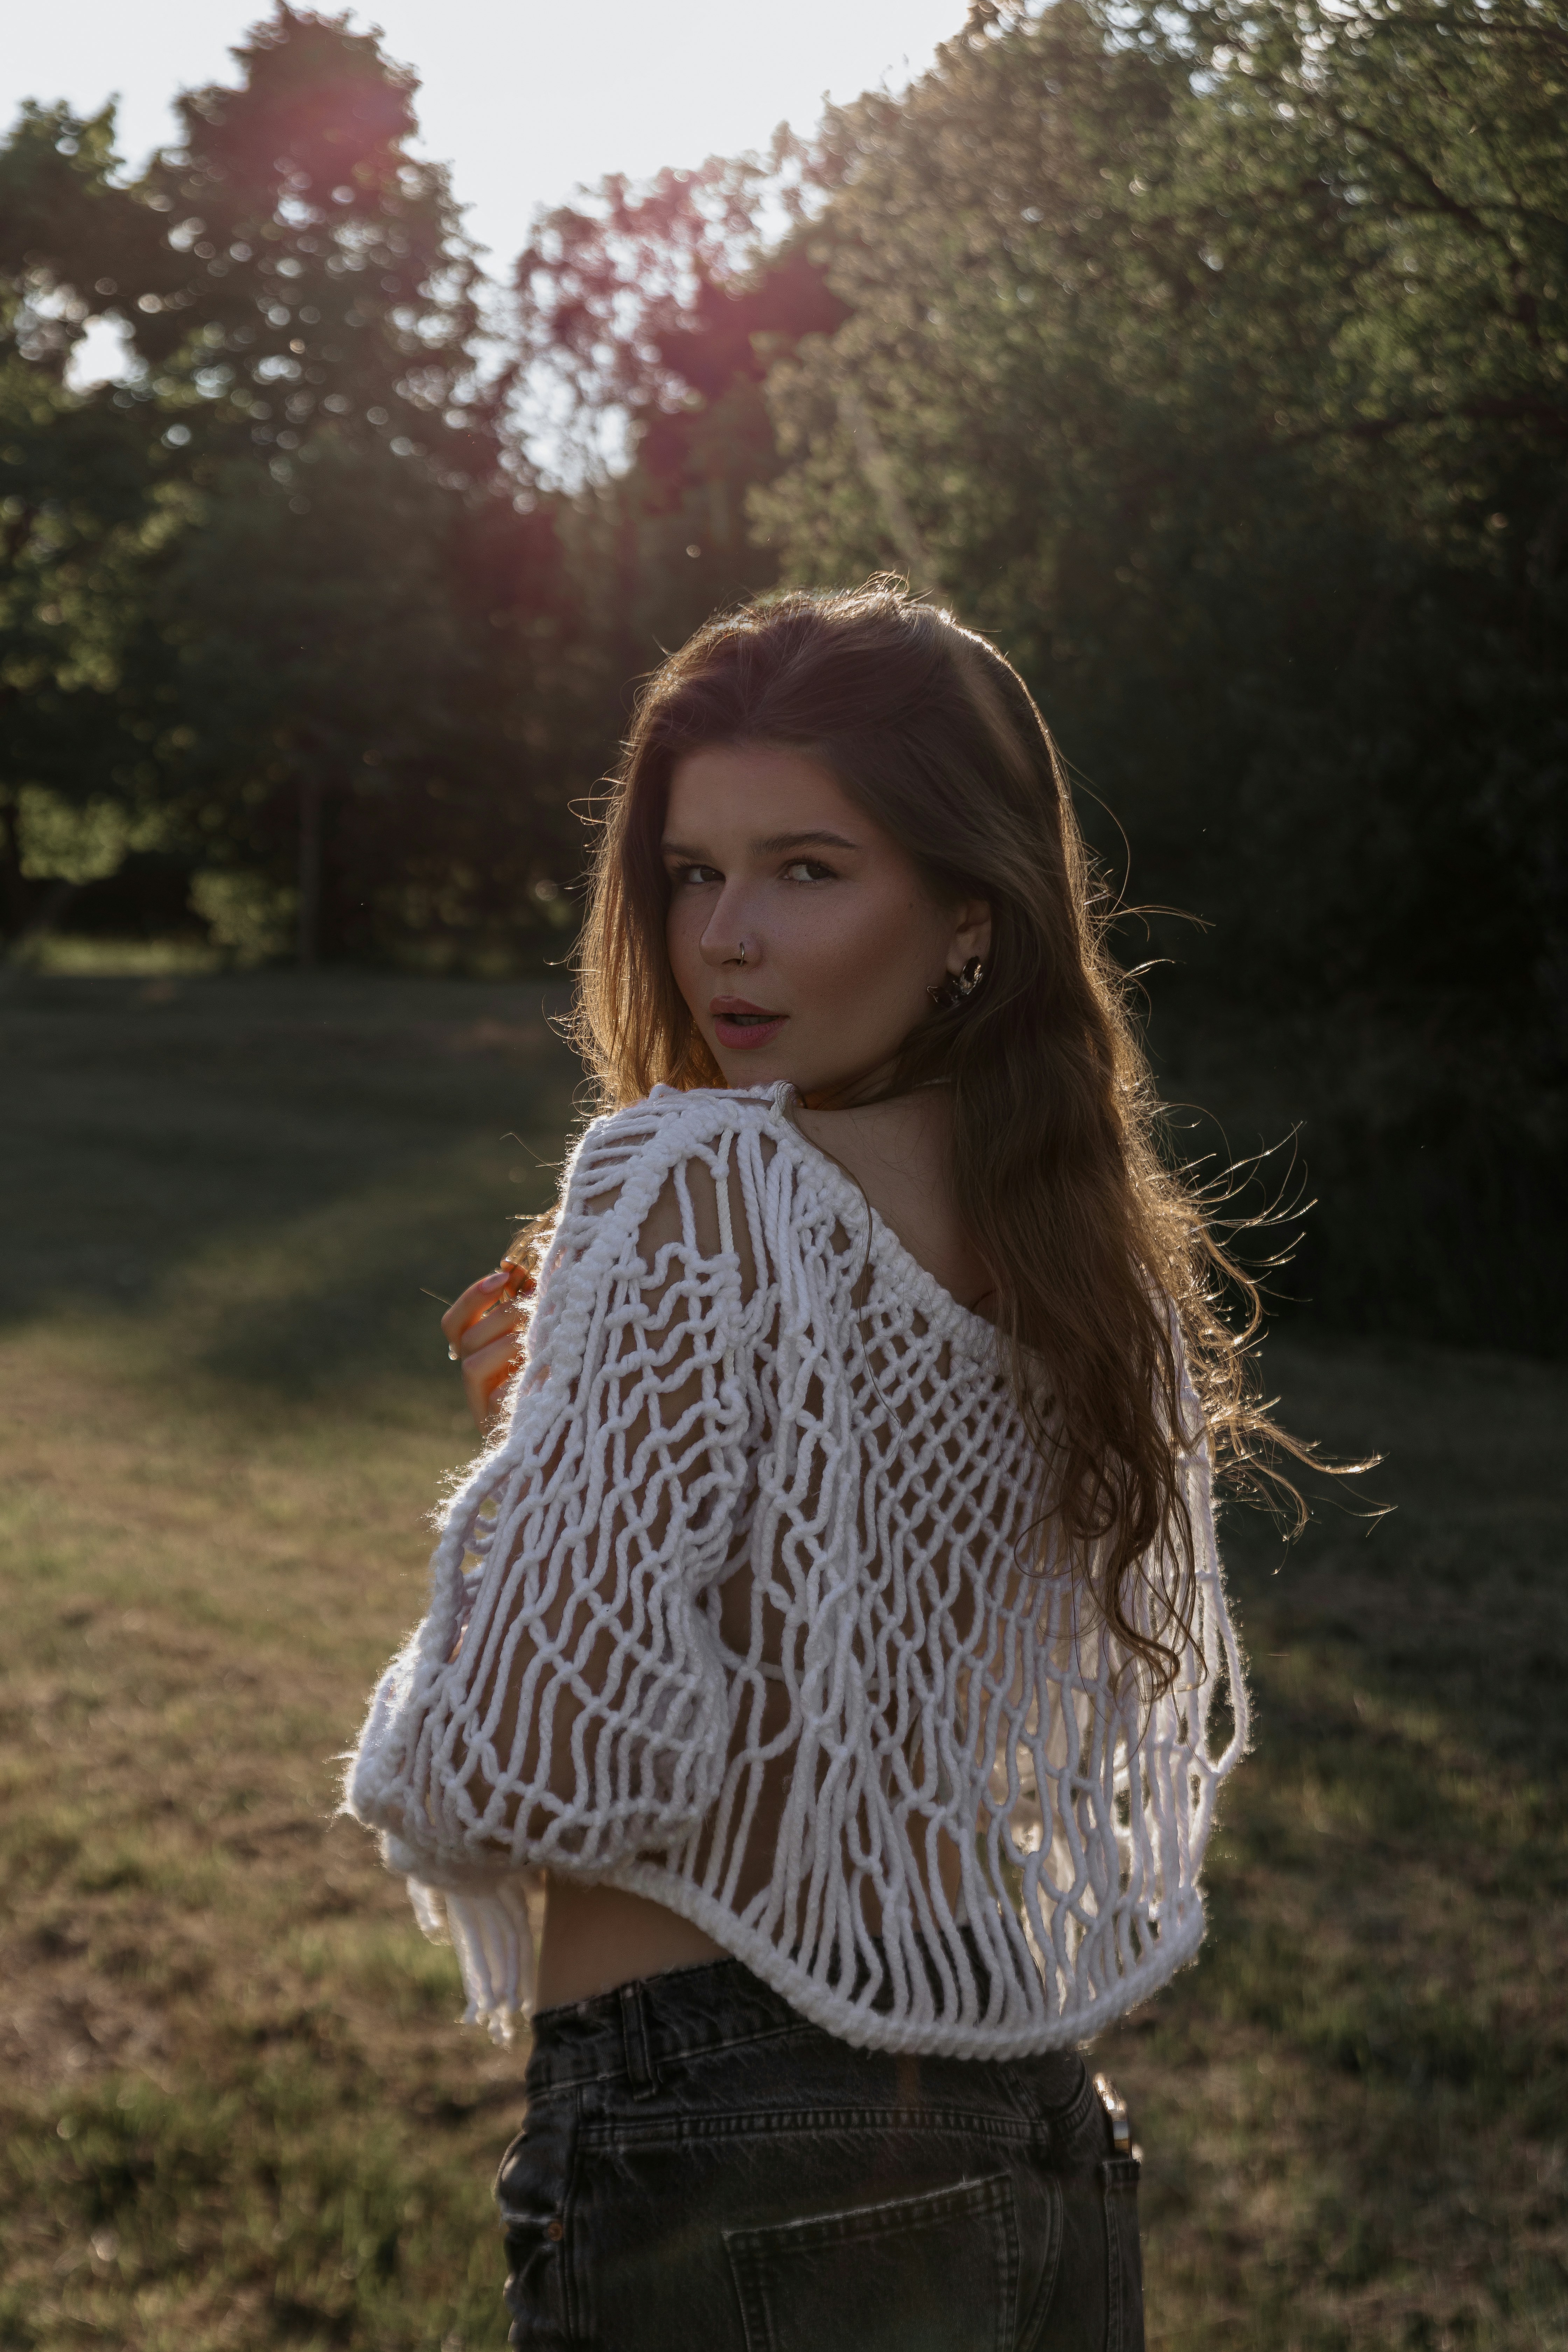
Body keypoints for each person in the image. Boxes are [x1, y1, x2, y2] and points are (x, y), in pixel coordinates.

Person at [345, 581, 1293, 2351]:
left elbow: (541, 1761)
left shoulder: (694, 1184)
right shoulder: (1088, 1255)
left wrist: (524, 1479)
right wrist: (564, 1435)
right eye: (692, 873)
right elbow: (847, 1648)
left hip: (729, 2125)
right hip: (1018, 2105)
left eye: (805, 868)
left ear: (968, 914)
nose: (725, 942)